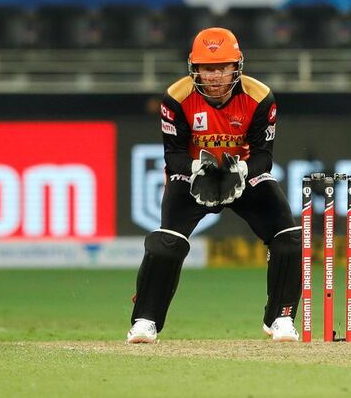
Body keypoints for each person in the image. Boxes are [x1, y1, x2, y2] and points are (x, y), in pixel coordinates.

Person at [127, 27, 302, 344]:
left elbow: (264, 158)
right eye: (208, 68)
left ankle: (281, 317)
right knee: (166, 242)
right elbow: (174, 156)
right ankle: (145, 320)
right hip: (194, 177)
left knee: (288, 237)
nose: (216, 76)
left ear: (237, 66)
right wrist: (198, 168)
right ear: (195, 68)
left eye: (223, 67)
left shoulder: (260, 97)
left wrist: (241, 170)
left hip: (243, 175)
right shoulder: (176, 98)